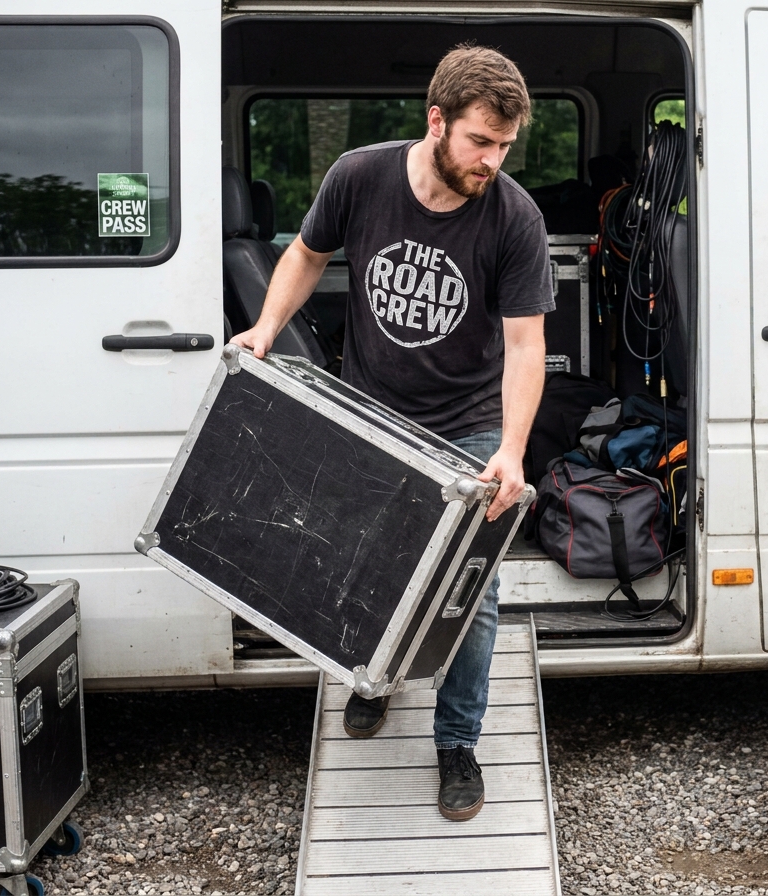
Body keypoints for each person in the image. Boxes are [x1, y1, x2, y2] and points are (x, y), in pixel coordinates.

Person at [230, 44, 552, 822]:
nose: (491, 160)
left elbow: (524, 345)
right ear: (436, 121)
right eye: (480, 141)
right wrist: (265, 329)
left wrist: (511, 449)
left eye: (505, 146)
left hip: (469, 422)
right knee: (365, 563)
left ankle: (457, 742)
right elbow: (306, 254)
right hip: (374, 410)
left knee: (471, 591)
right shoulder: (359, 176)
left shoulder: (514, 215)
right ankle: (371, 679)